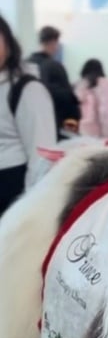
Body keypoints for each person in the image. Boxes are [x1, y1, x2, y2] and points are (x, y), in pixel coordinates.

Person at [0, 14, 57, 217]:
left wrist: (31, 210)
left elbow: (42, 156)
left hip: (11, 189)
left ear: (8, 43)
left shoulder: (27, 89)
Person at [28, 25, 80, 138]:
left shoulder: (25, 65)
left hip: (29, 128)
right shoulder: (55, 67)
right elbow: (69, 102)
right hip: (54, 128)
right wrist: (72, 132)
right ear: (53, 42)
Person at [74, 59, 108, 141]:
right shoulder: (105, 84)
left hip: (82, 132)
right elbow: (107, 111)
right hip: (101, 133)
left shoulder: (80, 86)